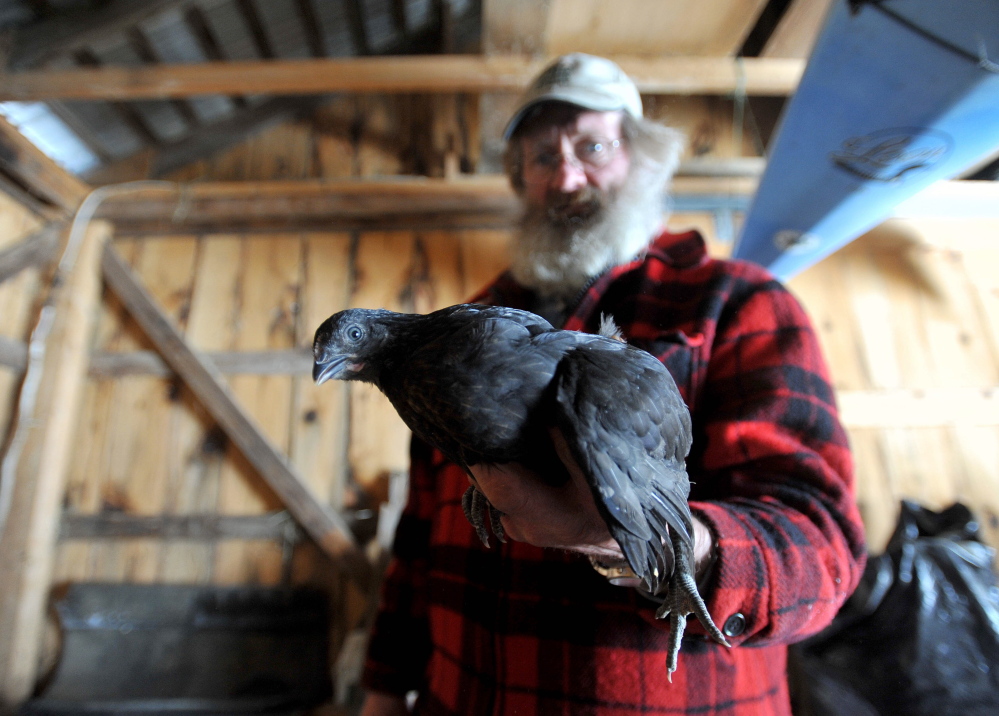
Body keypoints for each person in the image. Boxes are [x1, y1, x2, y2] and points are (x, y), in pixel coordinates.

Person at [359, 53, 867, 716]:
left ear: (642, 160)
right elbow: (420, 533)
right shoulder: (451, 336)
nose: (565, 176)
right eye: (541, 158)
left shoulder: (737, 304)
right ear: (519, 180)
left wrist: (652, 541)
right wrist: (379, 688)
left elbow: (820, 547)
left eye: (591, 146)